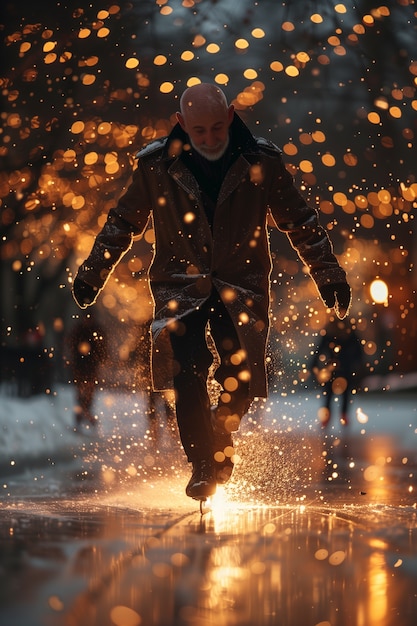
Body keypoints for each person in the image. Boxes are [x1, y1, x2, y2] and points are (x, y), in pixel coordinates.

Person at [72, 83, 351, 501]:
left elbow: (300, 220)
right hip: (179, 287)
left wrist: (328, 274)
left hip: (241, 285)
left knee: (237, 373)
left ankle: (223, 435)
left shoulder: (262, 161)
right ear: (181, 124)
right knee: (185, 374)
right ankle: (203, 463)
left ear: (232, 115)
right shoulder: (155, 166)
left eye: (217, 128)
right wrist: (93, 272)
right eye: (198, 131)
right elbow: (123, 221)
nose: (209, 139)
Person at [310, 318, 363, 427]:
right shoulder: (349, 331)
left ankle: (333, 417)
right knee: (339, 393)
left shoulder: (331, 332)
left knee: (332, 393)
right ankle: (339, 416)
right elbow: (358, 351)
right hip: (341, 367)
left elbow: (319, 349)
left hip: (335, 367)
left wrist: (314, 364)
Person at [67, 313, 107, 428]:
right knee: (81, 393)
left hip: (90, 367)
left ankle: (84, 415)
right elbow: (71, 345)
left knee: (88, 393)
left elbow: (102, 348)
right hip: (81, 367)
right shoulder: (80, 330)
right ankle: (83, 416)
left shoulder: (94, 330)